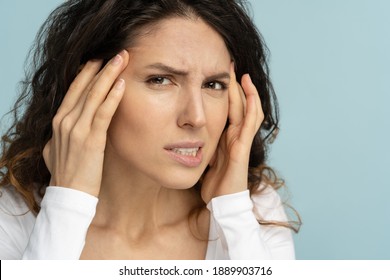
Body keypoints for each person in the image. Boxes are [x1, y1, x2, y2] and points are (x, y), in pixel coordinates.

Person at [0, 0, 299, 259]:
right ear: (89, 88)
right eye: (161, 80)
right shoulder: (11, 220)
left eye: (213, 85)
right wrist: (66, 208)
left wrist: (234, 213)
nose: (197, 118)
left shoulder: (253, 211)